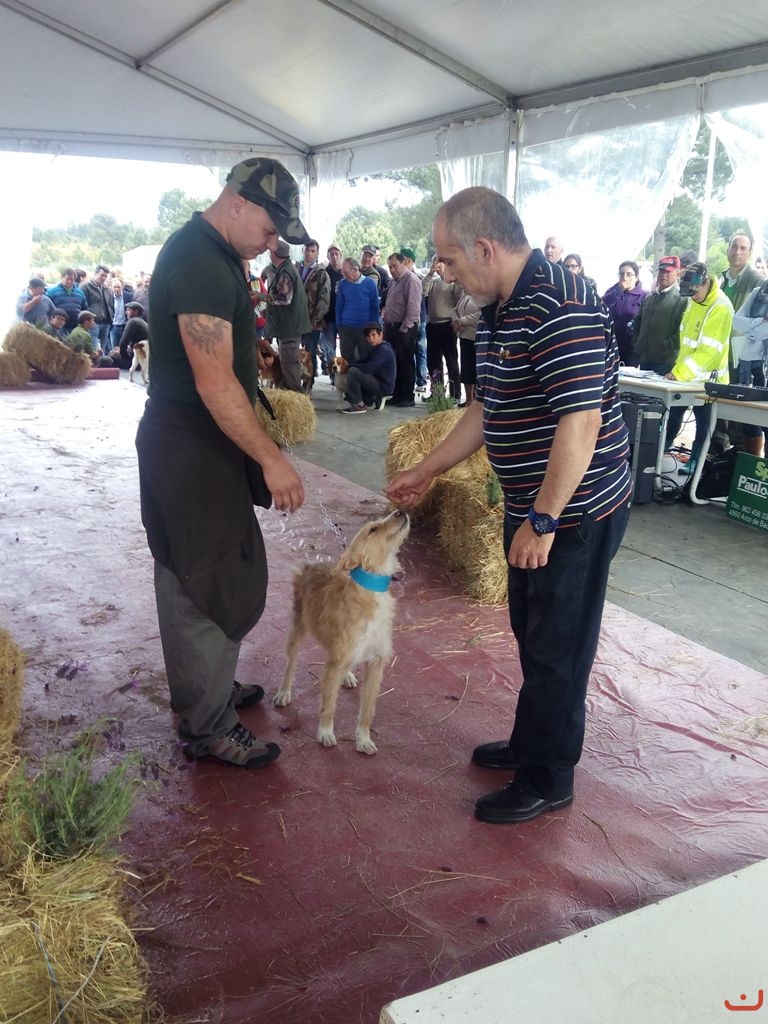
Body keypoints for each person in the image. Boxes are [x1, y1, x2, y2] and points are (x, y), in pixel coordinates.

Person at [385, 187, 632, 825]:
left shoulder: (561, 305)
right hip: (532, 504)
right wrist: (428, 469)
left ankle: (549, 776)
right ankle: (532, 741)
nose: (444, 272)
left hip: (573, 512)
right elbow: (484, 406)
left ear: (485, 248)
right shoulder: (500, 304)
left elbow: (580, 425)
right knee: (531, 628)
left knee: (558, 645)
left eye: (449, 259)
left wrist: (543, 520)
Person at [135, 156, 308, 770]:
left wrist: (245, 348)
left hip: (198, 445)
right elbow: (212, 383)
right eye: (269, 229)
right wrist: (271, 458)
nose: (270, 245)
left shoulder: (212, 251)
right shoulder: (200, 261)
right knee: (200, 579)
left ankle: (208, 688)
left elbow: (213, 357)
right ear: (238, 203)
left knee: (214, 569)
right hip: (191, 447)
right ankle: (208, 725)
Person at [663, 262, 734, 475]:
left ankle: (696, 462)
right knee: (673, 415)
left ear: (705, 283)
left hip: (710, 381)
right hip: (686, 378)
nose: (693, 297)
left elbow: (708, 351)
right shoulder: (694, 301)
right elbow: (687, 344)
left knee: (704, 426)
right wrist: (677, 371)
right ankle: (658, 450)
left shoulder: (720, 306)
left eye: (695, 293)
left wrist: (680, 373)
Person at [265, 239, 312, 392]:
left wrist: (261, 296)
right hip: (289, 326)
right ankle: (290, 394)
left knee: (290, 365)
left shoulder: (285, 272)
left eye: (270, 252)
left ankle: (297, 397)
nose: (269, 255)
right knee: (287, 365)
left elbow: (284, 299)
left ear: (275, 254)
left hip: (289, 327)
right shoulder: (287, 269)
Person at [632, 256, 686, 375]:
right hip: (644, 358)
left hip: (666, 362)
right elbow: (638, 322)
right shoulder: (649, 297)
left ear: (678, 273)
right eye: (661, 271)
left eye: (668, 272)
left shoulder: (682, 300)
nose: (663, 275)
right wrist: (638, 343)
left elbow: (681, 331)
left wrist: (666, 348)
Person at [382, 252, 421, 407]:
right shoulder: (393, 282)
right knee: (395, 362)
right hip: (392, 327)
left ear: (404, 263)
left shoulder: (411, 280)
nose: (392, 269)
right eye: (390, 267)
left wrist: (404, 330)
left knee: (406, 362)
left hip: (405, 327)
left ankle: (407, 396)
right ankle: (397, 394)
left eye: (394, 266)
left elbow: (413, 309)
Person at [422, 255, 461, 400]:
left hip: (447, 325)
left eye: (440, 262)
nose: (437, 265)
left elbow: (459, 300)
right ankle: (437, 393)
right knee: (433, 362)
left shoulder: (452, 282)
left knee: (451, 360)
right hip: (433, 325)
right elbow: (423, 290)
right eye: (435, 262)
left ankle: (455, 393)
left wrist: (446, 275)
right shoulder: (433, 281)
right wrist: (430, 273)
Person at [340, 322, 396, 413]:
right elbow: (365, 361)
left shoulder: (384, 350)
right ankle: (369, 399)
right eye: (368, 336)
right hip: (379, 381)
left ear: (381, 335)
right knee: (353, 376)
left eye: (373, 335)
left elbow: (369, 367)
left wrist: (349, 366)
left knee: (353, 371)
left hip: (383, 386)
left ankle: (359, 406)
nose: (370, 338)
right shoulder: (379, 347)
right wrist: (350, 365)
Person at [335, 257, 381, 364]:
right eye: (343, 273)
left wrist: (373, 327)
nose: (344, 276)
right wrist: (339, 325)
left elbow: (374, 307)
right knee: (346, 360)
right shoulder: (343, 284)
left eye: (346, 273)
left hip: (365, 329)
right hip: (346, 328)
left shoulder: (370, 284)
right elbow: (339, 306)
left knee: (366, 358)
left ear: (355, 269)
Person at [602, 261, 647, 365]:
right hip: (612, 346)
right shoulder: (612, 292)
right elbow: (601, 306)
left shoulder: (644, 296)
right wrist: (619, 291)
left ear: (636, 277)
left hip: (632, 349)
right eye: (621, 274)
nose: (624, 278)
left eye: (629, 274)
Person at [297, 239, 330, 376]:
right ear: (303, 250)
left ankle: (309, 383)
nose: (309, 253)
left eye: (312, 251)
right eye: (307, 250)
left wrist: (314, 320)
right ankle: (294, 381)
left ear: (317, 253)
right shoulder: (294, 269)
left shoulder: (322, 273)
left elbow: (324, 300)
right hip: (295, 320)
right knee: (294, 353)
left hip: (312, 322)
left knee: (310, 352)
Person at [452, 289, 481, 407]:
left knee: (476, 369)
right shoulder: (465, 295)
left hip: (476, 337)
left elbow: (480, 315)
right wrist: (456, 322)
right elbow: (454, 310)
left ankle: (477, 400)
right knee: (466, 368)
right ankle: (469, 399)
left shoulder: (481, 295)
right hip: (464, 336)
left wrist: (461, 321)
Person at [322, 244, 344, 373]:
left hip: (343, 318)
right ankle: (333, 375)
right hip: (328, 318)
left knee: (345, 348)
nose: (334, 257)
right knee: (329, 348)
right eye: (331, 254)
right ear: (328, 256)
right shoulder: (324, 273)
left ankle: (344, 374)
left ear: (341, 255)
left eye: (336, 254)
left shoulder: (346, 272)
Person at [45, 268, 87, 334]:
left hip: (75, 327)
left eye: (72, 279)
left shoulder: (80, 292)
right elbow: (46, 309)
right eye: (67, 279)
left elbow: (84, 308)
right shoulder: (51, 292)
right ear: (61, 277)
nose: (69, 281)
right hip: (58, 328)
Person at [81, 264, 112, 349]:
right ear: (95, 273)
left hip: (105, 322)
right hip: (93, 322)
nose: (104, 278)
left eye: (105, 276)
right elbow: (83, 305)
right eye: (102, 275)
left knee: (103, 348)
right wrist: (88, 319)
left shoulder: (106, 288)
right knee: (93, 348)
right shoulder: (85, 286)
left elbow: (109, 304)